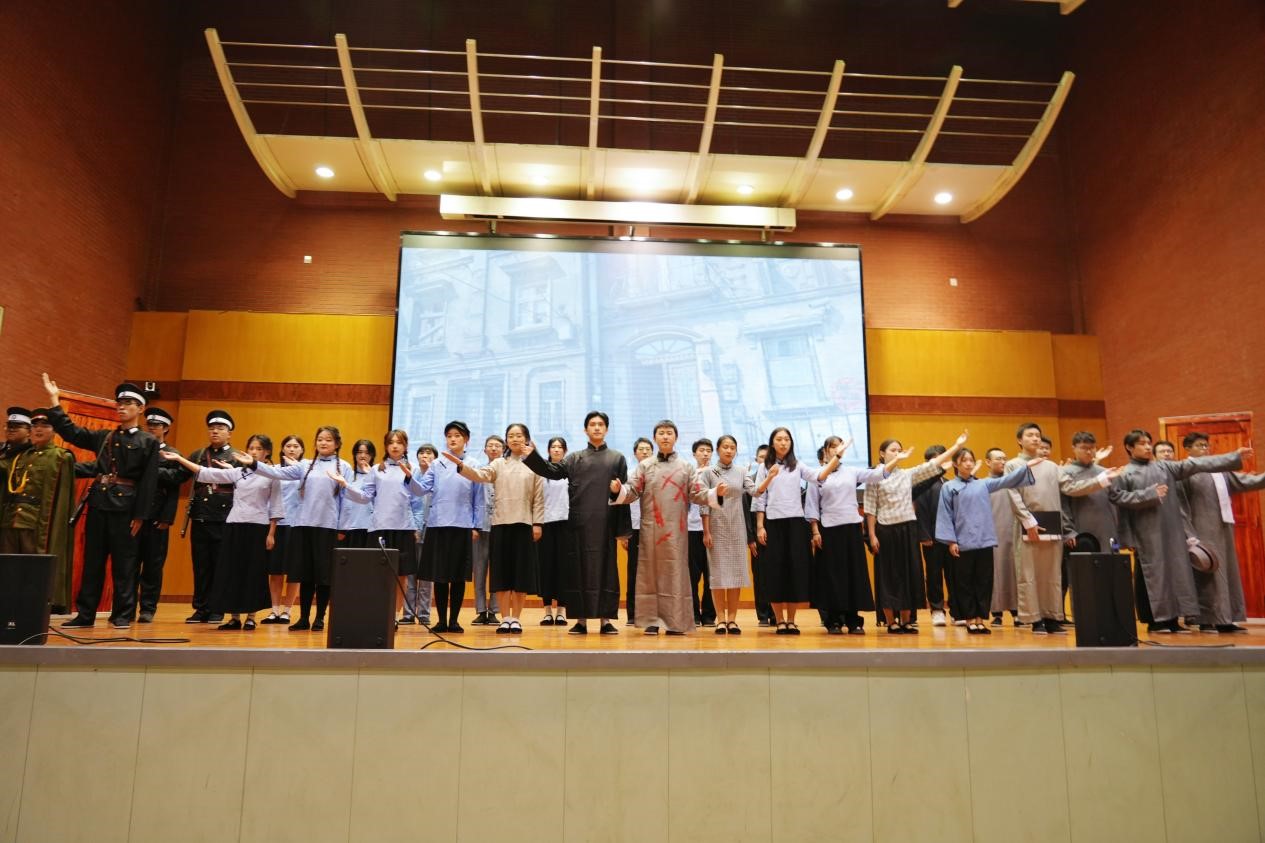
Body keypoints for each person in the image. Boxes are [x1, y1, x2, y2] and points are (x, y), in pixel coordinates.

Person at [41, 374, 159, 629]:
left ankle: (122, 614)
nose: (121, 407)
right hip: (99, 504)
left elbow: (149, 482)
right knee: (92, 563)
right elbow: (72, 432)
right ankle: (86, 615)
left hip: (126, 509)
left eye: (128, 403)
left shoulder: (148, 441)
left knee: (124, 565)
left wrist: (141, 516)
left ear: (140, 409)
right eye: (119, 403)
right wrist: (54, 401)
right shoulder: (105, 437)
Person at [1109, 429, 1249, 634]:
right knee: (1153, 575)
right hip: (1145, 532)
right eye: (1141, 443)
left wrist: (1233, 456)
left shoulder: (1165, 467)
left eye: (1148, 442)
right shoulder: (1125, 473)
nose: (1147, 447)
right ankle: (1156, 622)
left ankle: (1174, 619)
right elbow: (1116, 497)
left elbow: (1197, 464)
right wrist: (1148, 494)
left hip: (1172, 529)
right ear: (1129, 448)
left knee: (1177, 574)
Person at [523, 411, 630, 635]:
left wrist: (617, 496)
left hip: (605, 523)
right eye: (592, 424)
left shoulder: (617, 458)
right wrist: (533, 456)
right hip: (578, 524)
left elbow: (624, 494)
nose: (597, 427)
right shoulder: (574, 458)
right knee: (578, 571)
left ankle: (605, 621)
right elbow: (551, 471)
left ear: (607, 429)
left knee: (606, 571)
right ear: (585, 430)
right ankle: (581, 621)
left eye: (601, 424)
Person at [612, 420, 723, 635]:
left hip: (676, 530)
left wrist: (714, 493)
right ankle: (651, 621)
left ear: (675, 437)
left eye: (669, 433)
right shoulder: (645, 466)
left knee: (675, 573)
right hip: (650, 530)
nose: (665, 436)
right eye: (661, 433)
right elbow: (632, 491)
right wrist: (618, 490)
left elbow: (697, 493)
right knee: (650, 574)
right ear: (655, 438)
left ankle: (675, 622)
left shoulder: (686, 467)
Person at [1006, 422, 1117, 635]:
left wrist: (1101, 480)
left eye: (1038, 435)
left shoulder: (1051, 467)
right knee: (1029, 573)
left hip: (1052, 524)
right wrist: (1028, 521)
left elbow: (1071, 487)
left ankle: (1052, 617)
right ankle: (1035, 619)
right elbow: (1013, 494)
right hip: (1028, 525)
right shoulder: (1013, 465)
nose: (1035, 438)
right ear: (1020, 440)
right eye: (1030, 435)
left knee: (1052, 574)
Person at [162, 434, 282, 630]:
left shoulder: (271, 475)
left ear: (267, 452)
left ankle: (251, 617)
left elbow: (276, 507)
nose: (253, 452)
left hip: (258, 527)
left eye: (259, 449)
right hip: (234, 525)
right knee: (233, 571)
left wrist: (271, 533)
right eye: (251, 448)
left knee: (253, 572)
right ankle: (234, 617)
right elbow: (206, 472)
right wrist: (179, 459)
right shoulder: (237, 472)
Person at [240, 425, 352, 631]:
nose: (323, 442)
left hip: (328, 527)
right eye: (320, 439)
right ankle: (303, 618)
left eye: (328, 439)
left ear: (337, 444)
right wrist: (254, 464)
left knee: (324, 576)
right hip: (303, 526)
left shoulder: (344, 466)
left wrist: (342, 527)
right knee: (305, 575)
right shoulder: (305, 465)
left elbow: (347, 500)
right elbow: (277, 472)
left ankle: (320, 618)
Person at [446, 423, 545, 634]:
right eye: (511, 436)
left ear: (527, 439)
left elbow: (538, 497)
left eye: (519, 435)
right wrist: (461, 466)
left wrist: (537, 523)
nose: (515, 439)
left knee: (520, 575)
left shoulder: (534, 465)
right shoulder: (499, 463)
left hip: (524, 524)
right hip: (500, 524)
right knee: (501, 574)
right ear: (507, 440)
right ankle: (505, 618)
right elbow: (479, 475)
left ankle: (516, 618)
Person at [865, 432, 969, 633]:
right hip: (886, 530)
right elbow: (870, 509)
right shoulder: (874, 477)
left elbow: (932, 465)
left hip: (908, 530)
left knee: (908, 575)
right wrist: (872, 535)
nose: (897, 453)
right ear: (882, 454)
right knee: (888, 577)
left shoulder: (907, 474)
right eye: (893, 450)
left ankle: (906, 620)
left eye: (899, 450)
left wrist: (956, 446)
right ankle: (891, 622)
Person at [936, 448, 1040, 633]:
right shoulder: (949, 487)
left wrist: (1026, 467)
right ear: (955, 464)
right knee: (964, 584)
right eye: (964, 460)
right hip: (962, 543)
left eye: (971, 460)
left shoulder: (983, 484)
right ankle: (969, 620)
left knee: (983, 582)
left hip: (984, 541)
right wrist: (951, 541)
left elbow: (1005, 480)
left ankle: (980, 620)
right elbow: (945, 514)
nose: (968, 463)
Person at [334, 430, 429, 625]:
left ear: (405, 446)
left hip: (403, 528)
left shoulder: (412, 469)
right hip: (379, 528)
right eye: (391, 442)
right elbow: (365, 497)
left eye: (399, 442)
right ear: (386, 446)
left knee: (401, 575)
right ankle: (379, 613)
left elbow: (419, 496)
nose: (395, 446)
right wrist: (345, 485)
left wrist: (417, 527)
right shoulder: (377, 469)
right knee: (378, 574)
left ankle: (394, 616)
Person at [1179, 432, 1265, 633]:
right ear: (1188, 449)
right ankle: (1207, 619)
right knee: (1210, 574)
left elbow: (1245, 481)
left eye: (1206, 445)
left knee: (1228, 572)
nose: (1205, 449)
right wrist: (1189, 534)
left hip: (1224, 525)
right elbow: (1181, 506)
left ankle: (1226, 618)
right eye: (1199, 445)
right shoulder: (1184, 470)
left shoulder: (1219, 469)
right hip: (1201, 527)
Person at [806, 435, 889, 634]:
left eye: (839, 446)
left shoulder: (851, 471)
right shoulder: (817, 475)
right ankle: (833, 620)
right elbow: (811, 505)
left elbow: (878, 475)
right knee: (832, 577)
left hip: (851, 529)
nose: (836, 449)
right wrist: (815, 531)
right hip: (828, 530)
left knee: (853, 574)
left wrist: (894, 460)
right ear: (825, 451)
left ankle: (853, 620)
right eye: (832, 447)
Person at [0, 407, 76, 612]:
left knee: (33, 572)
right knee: (8, 570)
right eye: (35, 425)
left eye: (45, 425)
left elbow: (62, 498)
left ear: (55, 430)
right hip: (11, 520)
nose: (39, 429)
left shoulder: (61, 457)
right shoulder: (20, 456)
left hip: (36, 523)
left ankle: (32, 611)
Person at [414, 421, 484, 633]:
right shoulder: (437, 464)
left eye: (457, 435)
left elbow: (478, 498)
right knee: (440, 576)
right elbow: (421, 489)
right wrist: (409, 477)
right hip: (438, 524)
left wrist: (476, 526)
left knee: (458, 576)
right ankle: (442, 620)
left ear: (466, 439)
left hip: (462, 525)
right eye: (449, 435)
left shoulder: (473, 464)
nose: (452, 439)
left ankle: (454, 621)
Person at [752, 427, 822, 635]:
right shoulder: (765, 466)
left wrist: (836, 458)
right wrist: (760, 526)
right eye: (779, 439)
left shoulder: (798, 465)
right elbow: (759, 497)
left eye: (786, 439)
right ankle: (779, 620)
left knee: (794, 571)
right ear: (772, 442)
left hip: (796, 524)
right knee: (775, 572)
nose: (783, 443)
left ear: (791, 443)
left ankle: (791, 620)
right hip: (773, 524)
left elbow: (819, 475)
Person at [176, 409, 240, 624]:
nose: (215, 432)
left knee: (221, 565)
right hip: (201, 516)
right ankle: (201, 608)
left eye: (220, 428)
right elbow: (178, 475)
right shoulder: (198, 455)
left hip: (225, 518)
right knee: (201, 565)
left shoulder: (236, 457)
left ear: (229, 433)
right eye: (212, 428)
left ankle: (217, 608)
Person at [133, 406, 185, 622]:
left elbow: (175, 486)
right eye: (149, 425)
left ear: (166, 429)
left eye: (156, 425)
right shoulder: (138, 448)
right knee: (130, 563)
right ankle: (126, 607)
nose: (152, 428)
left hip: (157, 517)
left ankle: (147, 608)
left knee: (153, 566)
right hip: (135, 514)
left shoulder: (172, 454)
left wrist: (167, 518)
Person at [701, 435, 756, 634]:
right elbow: (704, 503)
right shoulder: (708, 472)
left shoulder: (742, 471)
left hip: (737, 527)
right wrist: (706, 531)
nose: (729, 450)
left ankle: (732, 620)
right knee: (717, 575)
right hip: (716, 527)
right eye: (725, 447)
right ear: (718, 449)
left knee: (736, 574)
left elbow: (755, 492)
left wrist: (769, 477)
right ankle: (720, 620)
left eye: (732, 447)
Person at [261, 434, 304, 624]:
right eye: (288, 446)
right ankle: (274, 610)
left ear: (302, 450)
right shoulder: (275, 470)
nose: (292, 449)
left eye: (296, 446)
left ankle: (287, 611)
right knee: (275, 571)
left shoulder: (306, 470)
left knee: (294, 572)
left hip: (297, 525)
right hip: (276, 524)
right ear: (282, 449)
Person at [912, 444, 951, 626]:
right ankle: (937, 609)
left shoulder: (948, 483)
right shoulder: (924, 484)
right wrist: (925, 535)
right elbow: (921, 511)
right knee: (934, 574)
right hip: (932, 537)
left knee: (953, 574)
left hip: (951, 538)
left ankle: (957, 610)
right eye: (936, 459)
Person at [985, 448, 1023, 627]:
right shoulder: (983, 485)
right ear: (988, 462)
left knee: (1015, 572)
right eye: (998, 459)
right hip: (993, 535)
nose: (1003, 462)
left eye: (1005, 459)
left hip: (1014, 534)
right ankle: (997, 613)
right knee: (995, 573)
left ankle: (1017, 612)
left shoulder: (1014, 484)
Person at [618, 437, 653, 626]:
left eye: (648, 449)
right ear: (635, 453)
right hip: (634, 529)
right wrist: (624, 533)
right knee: (633, 572)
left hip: (654, 529)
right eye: (641, 449)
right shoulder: (629, 475)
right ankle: (632, 614)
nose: (645, 452)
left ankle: (651, 613)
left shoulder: (657, 475)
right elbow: (623, 505)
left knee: (652, 573)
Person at [470, 434, 504, 625]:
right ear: (484, 450)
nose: (493, 448)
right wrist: (473, 525)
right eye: (490, 445)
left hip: (501, 526)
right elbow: (472, 499)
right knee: (479, 569)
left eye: (497, 446)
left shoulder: (507, 472)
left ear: (503, 450)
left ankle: (494, 611)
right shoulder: (478, 473)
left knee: (497, 570)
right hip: (481, 526)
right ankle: (481, 610)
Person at [539, 437, 573, 626]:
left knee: (564, 568)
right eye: (553, 446)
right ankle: (547, 611)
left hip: (565, 523)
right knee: (546, 568)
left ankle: (561, 611)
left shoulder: (570, 471)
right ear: (548, 450)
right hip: (545, 524)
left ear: (565, 451)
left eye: (560, 447)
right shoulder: (541, 471)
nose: (557, 450)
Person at [405, 443, 437, 625]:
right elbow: (407, 503)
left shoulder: (438, 476)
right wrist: (412, 527)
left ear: (435, 457)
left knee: (426, 576)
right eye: (421, 453)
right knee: (410, 574)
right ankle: (408, 614)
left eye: (429, 453)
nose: (425, 455)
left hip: (431, 529)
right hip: (412, 530)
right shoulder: (412, 475)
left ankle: (424, 614)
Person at [687, 438, 717, 627]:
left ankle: (709, 615)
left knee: (711, 574)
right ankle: (693, 613)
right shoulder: (689, 473)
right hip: (691, 528)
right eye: (701, 450)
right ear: (694, 454)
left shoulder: (716, 474)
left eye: (708, 451)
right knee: (692, 574)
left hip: (714, 529)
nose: (705, 454)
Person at [747, 444, 774, 626]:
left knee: (776, 575)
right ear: (757, 460)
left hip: (776, 533)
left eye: (768, 458)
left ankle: (776, 614)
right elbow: (746, 512)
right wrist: (750, 538)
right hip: (757, 535)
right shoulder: (750, 482)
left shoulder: (780, 479)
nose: (765, 461)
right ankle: (763, 615)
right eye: (762, 458)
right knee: (760, 576)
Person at [337, 439, 375, 549]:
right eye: (359, 452)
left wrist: (372, 474)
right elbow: (341, 502)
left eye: (367, 453)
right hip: (348, 527)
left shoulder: (377, 475)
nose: (363, 455)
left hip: (370, 527)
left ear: (372, 455)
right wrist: (341, 527)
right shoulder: (347, 475)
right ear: (354, 454)